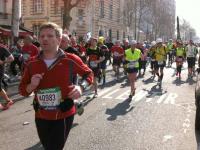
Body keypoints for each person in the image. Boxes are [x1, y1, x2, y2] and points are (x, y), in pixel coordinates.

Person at [19, 22, 94, 150]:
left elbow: (89, 74)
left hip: (63, 114)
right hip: (41, 115)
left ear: (59, 40)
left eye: (49, 36)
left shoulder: (71, 59)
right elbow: (23, 90)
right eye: (42, 36)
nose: (45, 39)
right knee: (47, 146)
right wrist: (31, 86)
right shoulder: (32, 63)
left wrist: (81, 87)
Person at [0, 44, 14, 110]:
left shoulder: (2, 48)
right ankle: (8, 101)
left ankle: (8, 101)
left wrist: (3, 62)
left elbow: (11, 58)